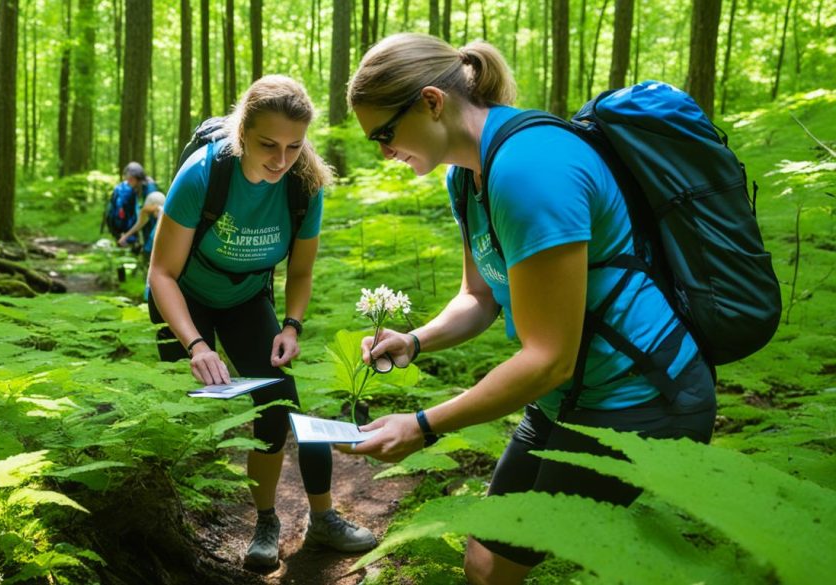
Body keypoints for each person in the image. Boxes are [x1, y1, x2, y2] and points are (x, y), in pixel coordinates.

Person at [343, 33, 716, 585]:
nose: (382, 151)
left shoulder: (528, 169)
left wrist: (423, 426)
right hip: (570, 396)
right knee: (485, 558)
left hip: (643, 399)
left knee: (501, 564)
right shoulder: (468, 177)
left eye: (385, 133)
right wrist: (415, 340)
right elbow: (480, 296)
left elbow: (548, 359)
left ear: (431, 102)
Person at [147, 74, 377, 568]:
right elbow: (161, 272)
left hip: (247, 295)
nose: (280, 159)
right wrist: (196, 346)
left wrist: (291, 326)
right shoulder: (203, 175)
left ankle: (291, 520)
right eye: (267, 144)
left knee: (280, 403)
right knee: (166, 409)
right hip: (184, 294)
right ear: (241, 133)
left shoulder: (304, 185)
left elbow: (301, 268)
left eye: (294, 146)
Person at [114, 162, 164, 255]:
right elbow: (141, 216)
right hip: (146, 227)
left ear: (136, 177)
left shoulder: (150, 188)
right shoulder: (137, 189)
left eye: (130, 179)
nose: (128, 182)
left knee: (150, 251)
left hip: (153, 228)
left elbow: (154, 214)